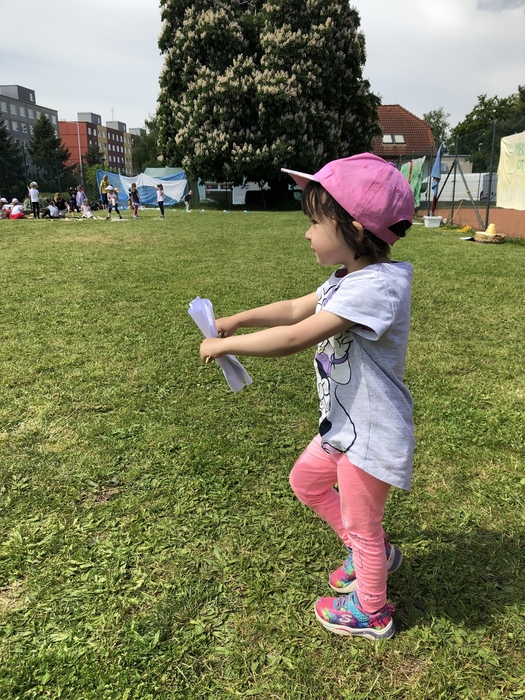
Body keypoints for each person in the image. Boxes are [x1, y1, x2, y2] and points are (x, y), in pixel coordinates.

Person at [199, 154, 415, 641]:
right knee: (306, 481)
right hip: (344, 426)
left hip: (369, 434)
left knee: (363, 523)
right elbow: (298, 308)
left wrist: (226, 345)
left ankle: (371, 611)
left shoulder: (376, 287)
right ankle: (371, 555)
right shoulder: (348, 277)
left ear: (353, 229)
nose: (307, 233)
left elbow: (298, 336)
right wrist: (237, 319)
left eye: (315, 222)